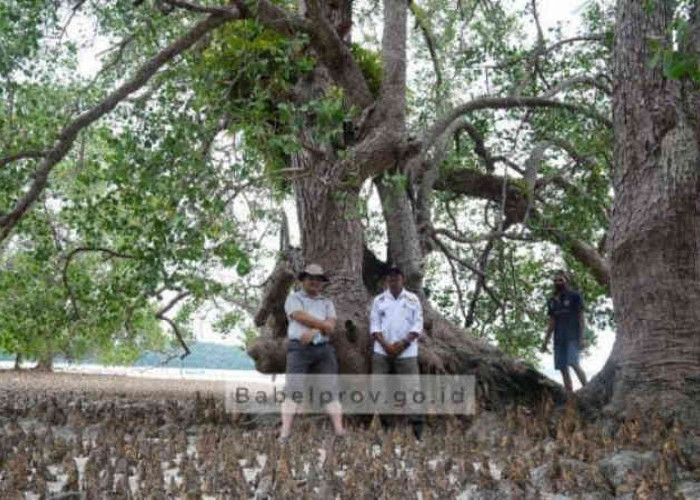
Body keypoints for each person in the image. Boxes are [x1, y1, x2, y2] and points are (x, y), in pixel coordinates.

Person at [280, 264, 346, 443]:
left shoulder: (327, 302)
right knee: (293, 390)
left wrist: (315, 331)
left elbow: (331, 326)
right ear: (303, 280)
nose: (315, 282)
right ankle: (285, 434)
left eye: (318, 279)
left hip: (323, 349)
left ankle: (339, 432)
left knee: (330, 390)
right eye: (311, 278)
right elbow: (299, 316)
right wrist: (322, 325)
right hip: (298, 349)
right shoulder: (294, 299)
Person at [369, 266, 424, 439]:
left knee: (412, 389)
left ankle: (417, 431)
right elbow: (374, 325)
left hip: (407, 351)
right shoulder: (379, 300)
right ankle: (385, 427)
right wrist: (386, 345)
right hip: (381, 351)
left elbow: (418, 325)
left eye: (397, 278)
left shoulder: (413, 299)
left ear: (403, 280)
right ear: (386, 281)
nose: (394, 281)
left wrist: (403, 343)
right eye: (390, 278)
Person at [541, 270, 588, 392]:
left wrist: (583, 337)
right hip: (558, 338)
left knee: (573, 363)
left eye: (561, 280)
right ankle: (569, 395)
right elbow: (552, 322)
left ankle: (587, 389)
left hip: (573, 336)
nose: (558, 282)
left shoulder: (575, 296)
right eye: (555, 280)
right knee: (562, 368)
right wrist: (545, 342)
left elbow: (581, 318)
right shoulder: (551, 301)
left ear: (566, 281)